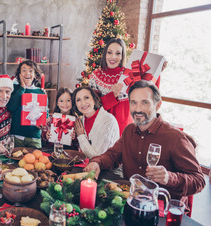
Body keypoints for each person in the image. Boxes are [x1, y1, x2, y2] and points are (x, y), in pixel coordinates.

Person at [84, 80, 205, 209]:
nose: (138, 109)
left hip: (163, 209)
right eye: (133, 103)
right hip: (131, 202)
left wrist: (169, 177)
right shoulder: (129, 131)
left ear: (157, 105)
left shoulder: (176, 138)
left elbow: (199, 180)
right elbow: (113, 155)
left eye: (145, 102)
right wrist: (97, 162)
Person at [89, 38, 133, 136]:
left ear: (122, 56)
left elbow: (147, 92)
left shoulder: (129, 74)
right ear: (105, 55)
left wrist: (158, 70)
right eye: (109, 52)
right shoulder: (95, 76)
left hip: (124, 128)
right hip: (102, 128)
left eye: (118, 53)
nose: (113, 57)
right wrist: (112, 96)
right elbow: (93, 107)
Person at [7, 60, 46, 148]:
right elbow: (11, 107)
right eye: (24, 70)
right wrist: (22, 88)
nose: (27, 73)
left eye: (30, 70)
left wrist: (42, 124)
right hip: (17, 136)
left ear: (35, 75)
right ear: (19, 74)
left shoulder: (40, 92)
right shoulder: (14, 89)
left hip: (34, 136)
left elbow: (45, 113)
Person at [73, 86, 119, 159]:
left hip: (107, 168)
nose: (83, 103)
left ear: (94, 100)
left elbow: (97, 157)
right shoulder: (81, 121)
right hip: (87, 165)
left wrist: (81, 136)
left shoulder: (108, 120)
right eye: (78, 100)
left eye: (86, 97)